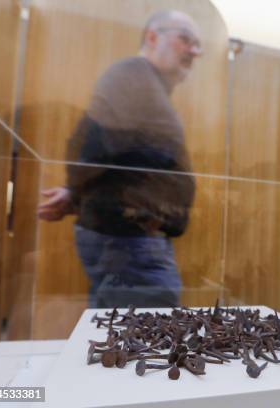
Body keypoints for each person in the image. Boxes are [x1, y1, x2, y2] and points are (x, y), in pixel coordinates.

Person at [37, 10, 203, 307]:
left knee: (119, 336)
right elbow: (91, 144)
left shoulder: (136, 82)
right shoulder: (131, 77)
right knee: (148, 338)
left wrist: (76, 194)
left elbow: (103, 149)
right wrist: (78, 192)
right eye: (186, 40)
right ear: (152, 37)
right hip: (130, 240)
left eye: (197, 44)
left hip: (130, 239)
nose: (195, 51)